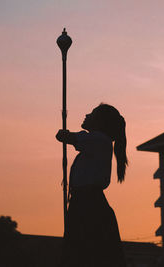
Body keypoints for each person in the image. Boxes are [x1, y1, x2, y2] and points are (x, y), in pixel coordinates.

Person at [56, 103, 128, 267]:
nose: (87, 115)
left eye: (92, 113)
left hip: (88, 205)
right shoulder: (97, 141)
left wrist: (63, 132)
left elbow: (64, 137)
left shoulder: (99, 140)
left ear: (100, 122)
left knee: (86, 251)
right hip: (86, 202)